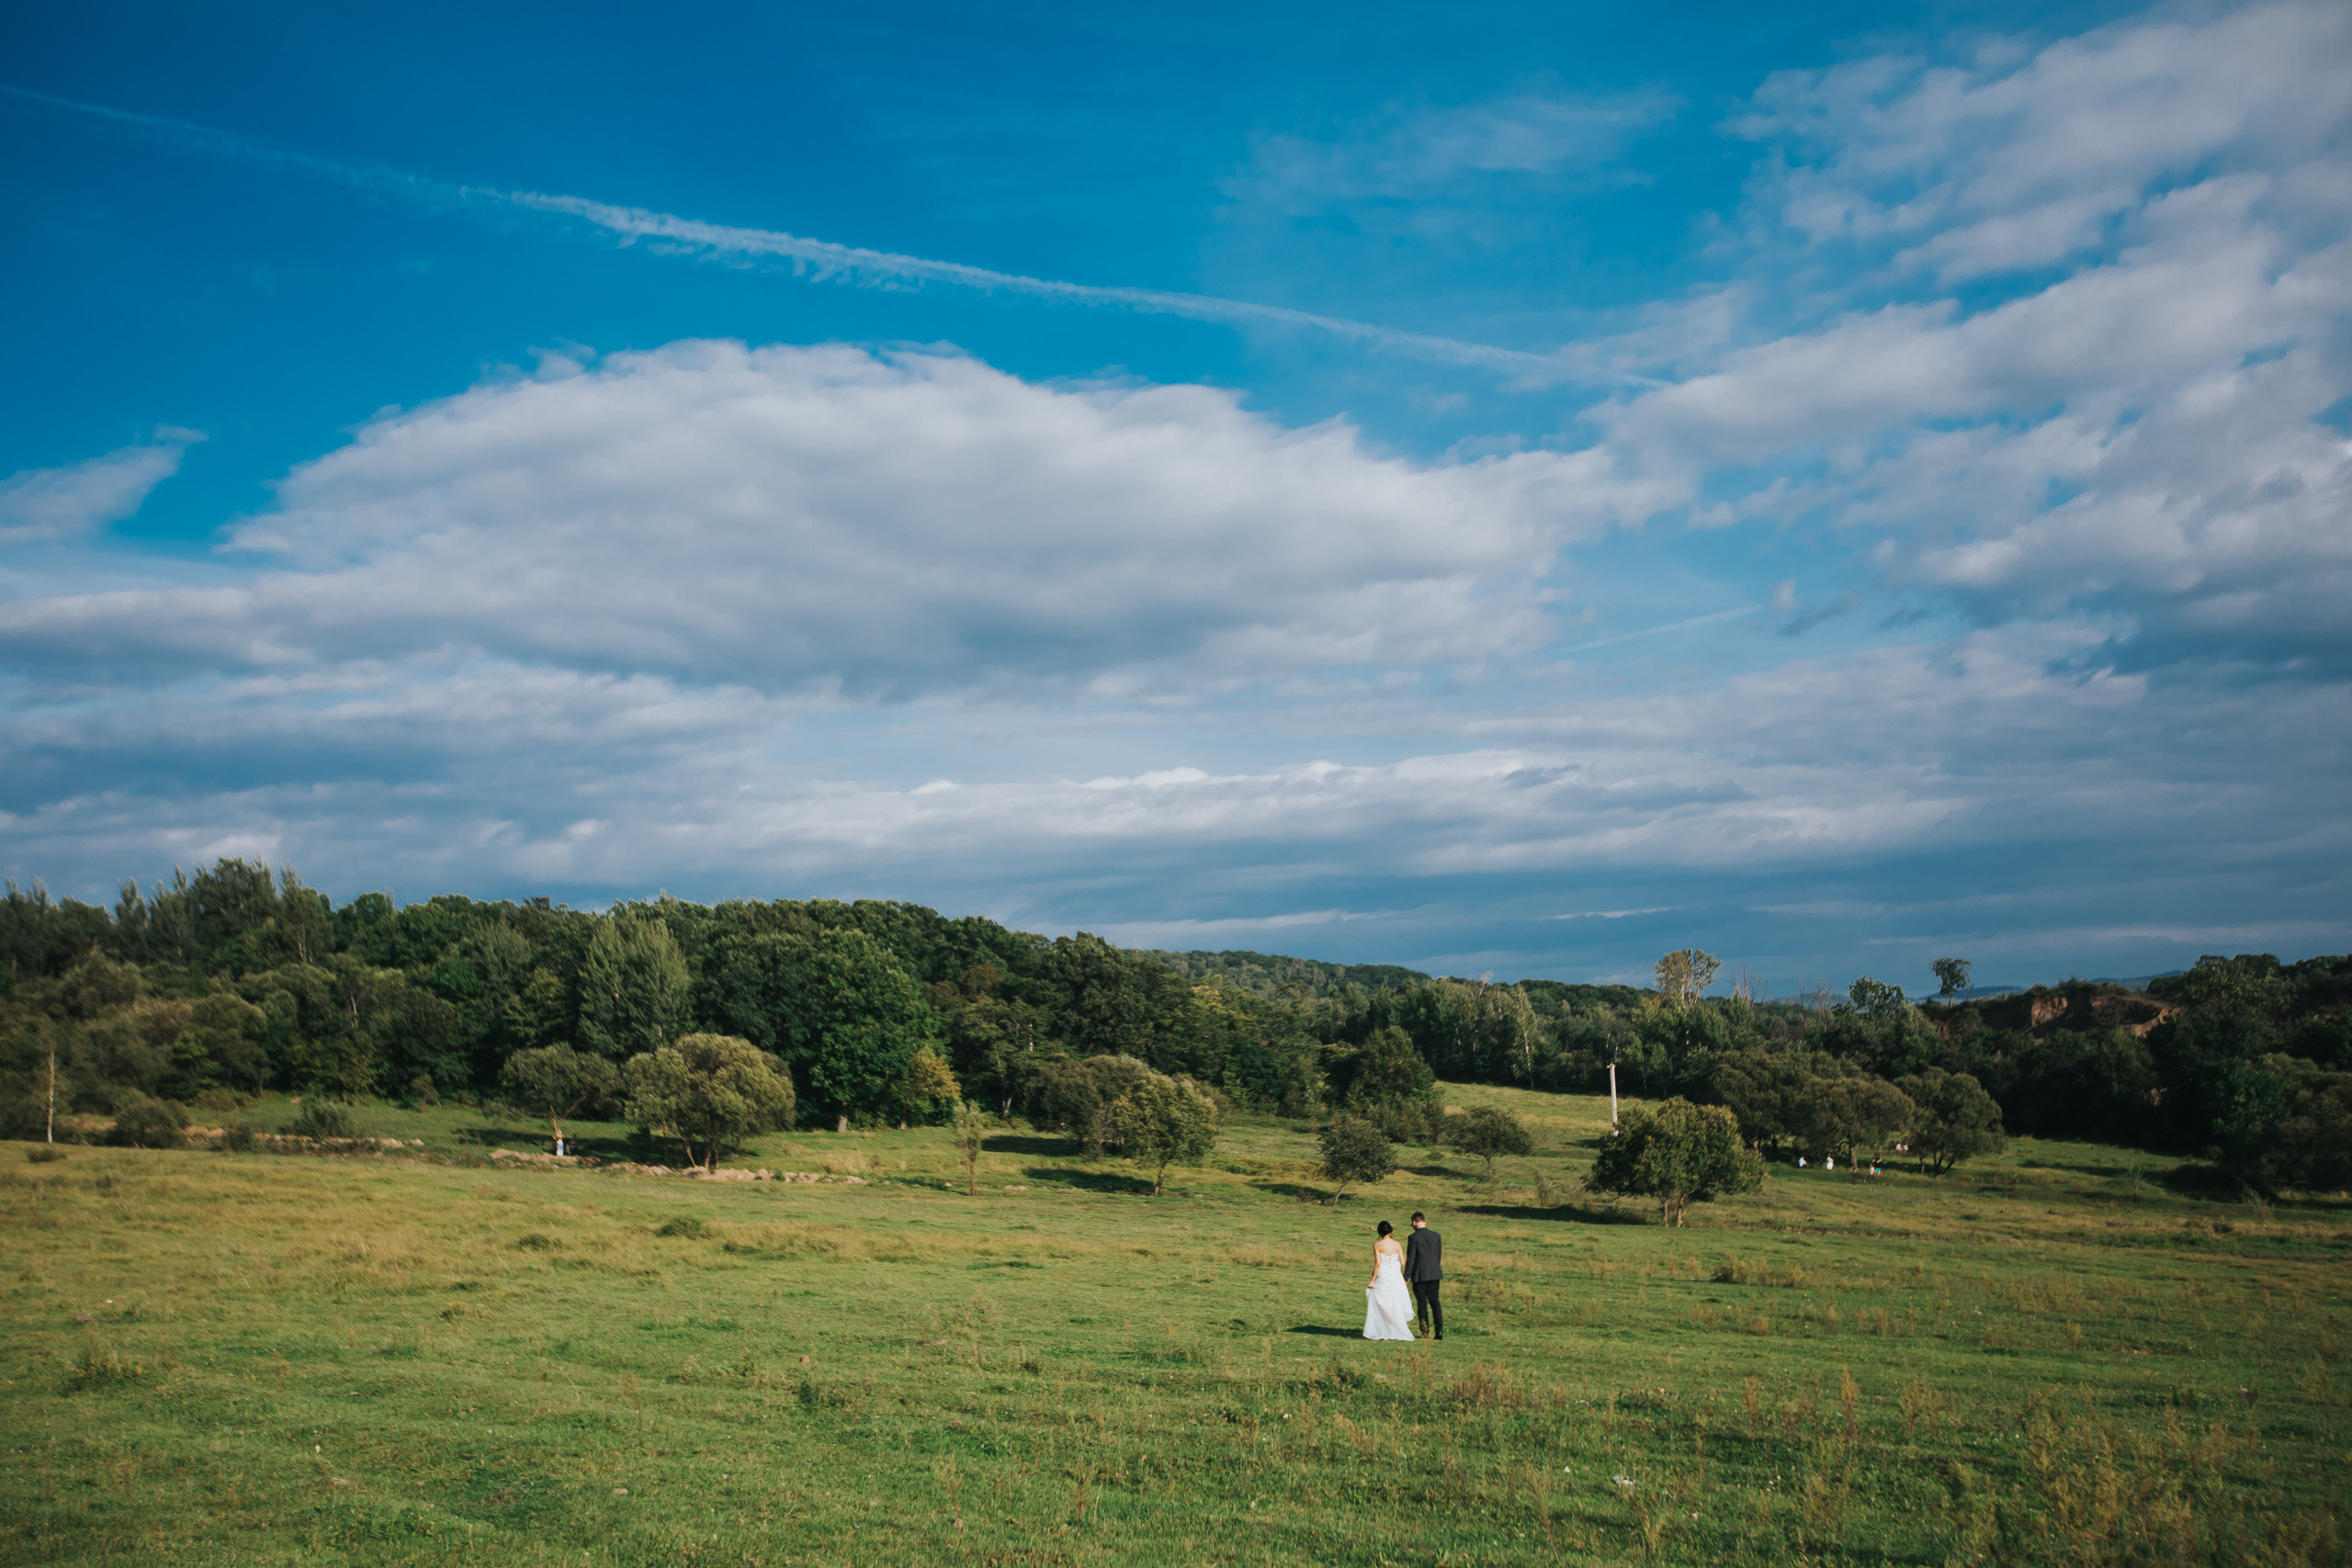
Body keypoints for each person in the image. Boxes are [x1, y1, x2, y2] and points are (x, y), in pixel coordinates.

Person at [1362, 1221, 1414, 1341]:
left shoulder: (1377, 1245)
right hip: (1395, 1277)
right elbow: (1402, 1262)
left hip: (1383, 1276)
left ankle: (1383, 1329)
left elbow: (1378, 1265)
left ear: (1380, 1232)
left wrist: (1372, 1280)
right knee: (1394, 1303)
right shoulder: (1397, 1244)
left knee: (1382, 1303)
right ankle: (1394, 1329)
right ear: (1390, 1231)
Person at [1404, 1211, 1443, 1340]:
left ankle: (1425, 1330)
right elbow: (1438, 1256)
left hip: (1420, 1275)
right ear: (1424, 1221)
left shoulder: (1413, 1238)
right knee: (1435, 1302)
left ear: (1414, 1222)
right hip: (1435, 1273)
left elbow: (1411, 1259)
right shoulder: (1436, 1236)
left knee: (1422, 1303)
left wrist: (1405, 1277)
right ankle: (1439, 1330)